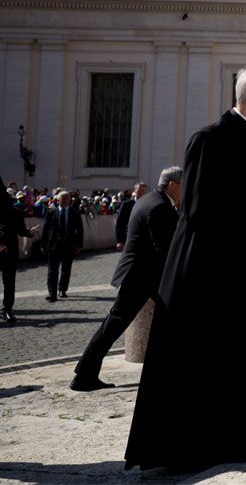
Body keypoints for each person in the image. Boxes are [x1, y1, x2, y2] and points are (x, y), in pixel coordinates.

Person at [125, 66, 246, 469]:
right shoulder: (209, 139)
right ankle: (212, 443)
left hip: (243, 257)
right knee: (212, 351)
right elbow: (200, 208)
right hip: (207, 264)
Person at [71, 167, 182, 392]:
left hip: (139, 274)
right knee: (113, 326)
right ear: (172, 184)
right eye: (184, 185)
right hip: (141, 277)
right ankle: (84, 375)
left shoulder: (149, 199)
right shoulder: (160, 206)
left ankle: (84, 373)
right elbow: (164, 250)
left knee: (113, 325)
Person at [0, 189, 40, 322]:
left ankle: (7, 309)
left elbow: (21, 230)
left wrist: (30, 232)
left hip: (10, 252)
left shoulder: (15, 213)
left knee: (9, 282)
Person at [41, 191, 83, 302]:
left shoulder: (75, 213)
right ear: (58, 200)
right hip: (54, 245)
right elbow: (46, 230)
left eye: (67, 198)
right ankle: (52, 294)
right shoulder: (51, 212)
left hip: (69, 245)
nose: (65, 200)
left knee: (66, 269)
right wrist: (43, 244)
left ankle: (62, 289)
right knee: (52, 271)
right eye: (63, 198)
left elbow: (80, 230)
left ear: (70, 200)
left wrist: (79, 245)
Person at [115, 182, 148, 251]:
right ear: (135, 191)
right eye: (139, 190)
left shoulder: (148, 205)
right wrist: (119, 241)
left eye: (144, 190)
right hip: (129, 239)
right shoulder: (127, 205)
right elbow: (120, 223)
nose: (142, 193)